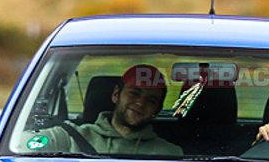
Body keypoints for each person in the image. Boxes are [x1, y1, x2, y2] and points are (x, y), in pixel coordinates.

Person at [29, 64, 183, 156]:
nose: (140, 103)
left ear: (158, 109)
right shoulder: (70, 137)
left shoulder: (171, 154)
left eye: (151, 100)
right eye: (134, 93)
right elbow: (21, 146)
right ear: (116, 95)